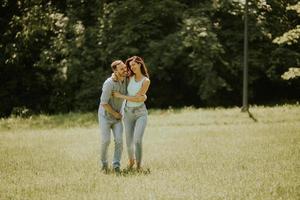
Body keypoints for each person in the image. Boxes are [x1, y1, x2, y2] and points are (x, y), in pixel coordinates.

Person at [112, 56, 150, 171]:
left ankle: (139, 166)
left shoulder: (146, 81)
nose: (132, 67)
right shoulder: (129, 77)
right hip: (128, 113)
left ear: (139, 64)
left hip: (140, 113)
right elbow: (117, 76)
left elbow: (138, 99)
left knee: (137, 140)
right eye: (130, 65)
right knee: (129, 142)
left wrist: (121, 96)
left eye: (134, 64)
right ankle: (131, 162)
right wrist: (113, 75)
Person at [98, 60, 127, 174]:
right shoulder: (109, 83)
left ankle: (116, 165)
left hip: (117, 118)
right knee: (106, 141)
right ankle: (104, 164)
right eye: (121, 69)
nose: (125, 70)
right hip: (105, 116)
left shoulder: (126, 80)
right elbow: (103, 103)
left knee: (119, 141)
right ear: (115, 71)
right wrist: (115, 114)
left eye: (125, 68)